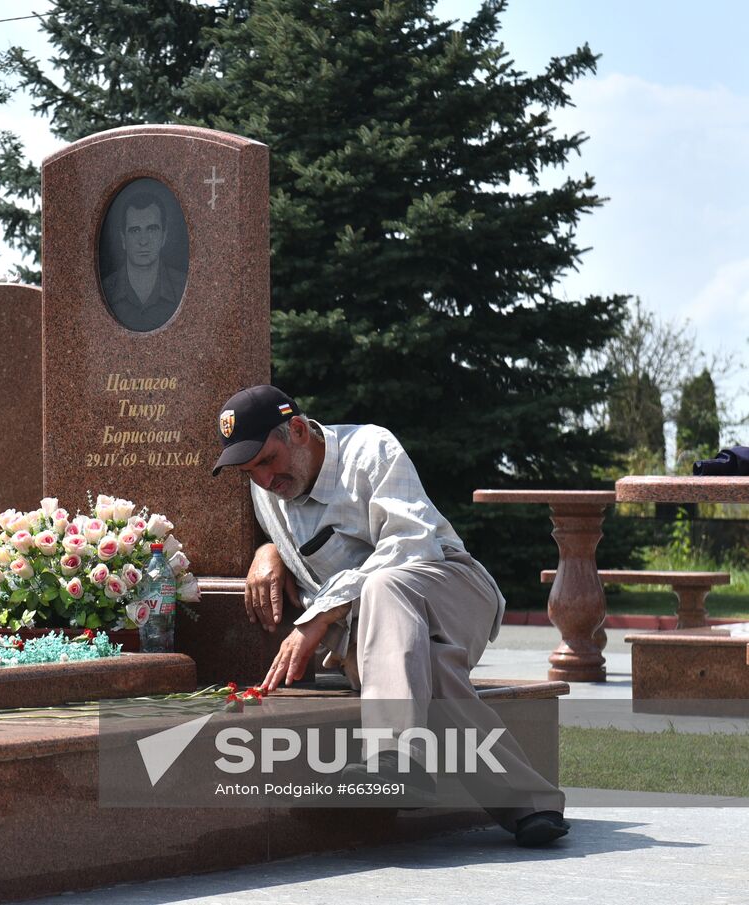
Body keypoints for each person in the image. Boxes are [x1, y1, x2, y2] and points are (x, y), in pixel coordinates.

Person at [211, 383, 570, 847]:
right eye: (249, 471)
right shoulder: (268, 491)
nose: (263, 479)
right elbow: (286, 545)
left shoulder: (370, 450)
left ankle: (395, 756)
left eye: (267, 460)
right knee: (430, 668)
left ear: (297, 429)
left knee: (384, 584)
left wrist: (319, 616)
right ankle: (532, 806)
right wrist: (268, 551)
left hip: (450, 590)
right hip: (375, 640)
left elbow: (409, 544)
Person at [101, 184, 186, 331]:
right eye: (135, 231)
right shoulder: (107, 290)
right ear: (123, 239)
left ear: (164, 236)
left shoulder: (181, 287)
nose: (143, 241)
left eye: (152, 229)